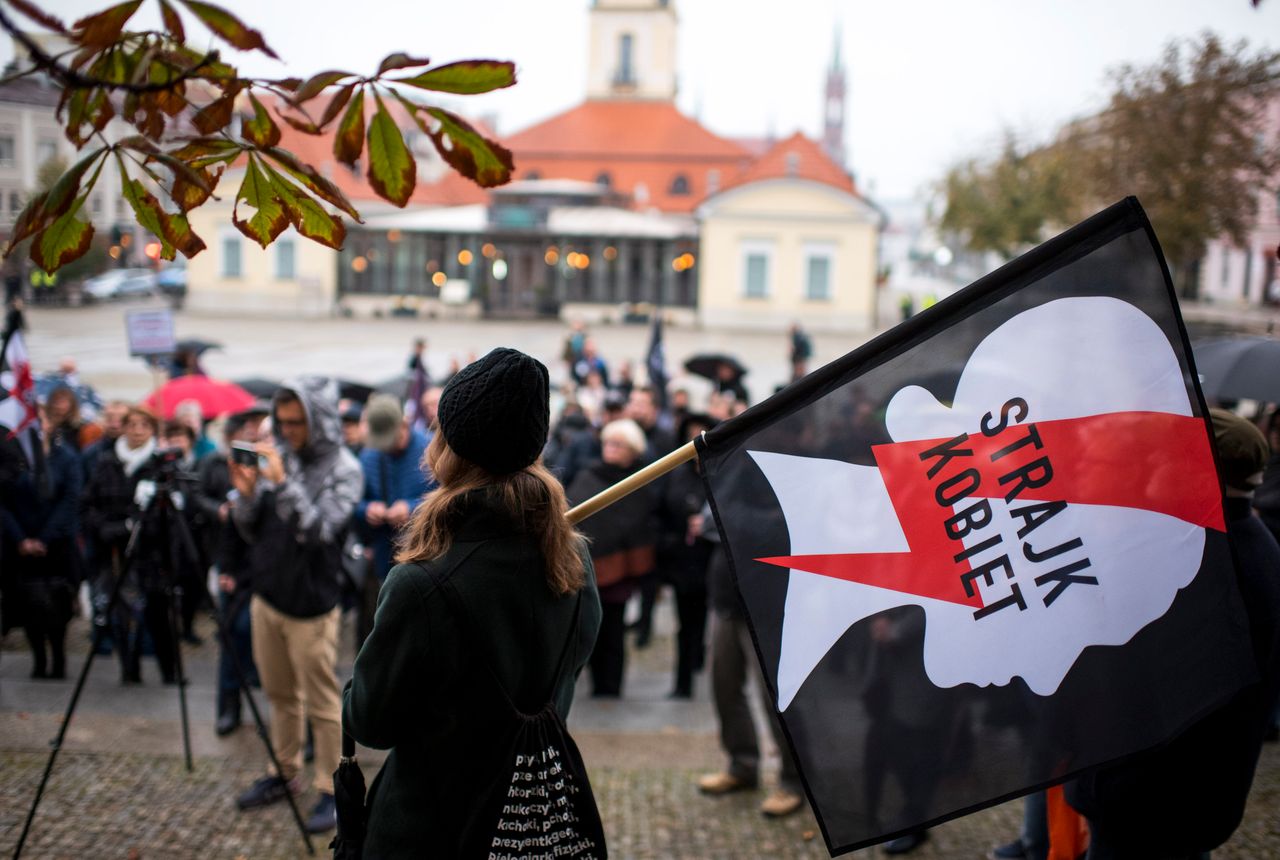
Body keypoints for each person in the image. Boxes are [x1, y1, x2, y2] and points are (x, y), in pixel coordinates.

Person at [343, 347, 602, 856]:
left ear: (453, 447)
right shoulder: (573, 560)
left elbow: (370, 721)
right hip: (528, 821)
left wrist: (360, 678)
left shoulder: (421, 584)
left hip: (432, 830)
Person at [1066, 408, 1280, 859]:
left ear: (1197, 467)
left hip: (1147, 798)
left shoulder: (1203, 561)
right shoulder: (1247, 541)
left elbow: (1135, 678)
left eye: (1165, 459)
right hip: (1193, 794)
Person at [230, 378, 363, 834]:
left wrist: (282, 485)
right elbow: (251, 530)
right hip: (268, 596)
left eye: (295, 423)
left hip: (312, 604)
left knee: (324, 702)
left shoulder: (345, 469)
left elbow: (319, 533)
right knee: (281, 695)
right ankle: (285, 772)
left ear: (318, 420)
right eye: (281, 422)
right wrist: (246, 495)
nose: (286, 432)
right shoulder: (279, 454)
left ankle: (332, 789)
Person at [698, 506, 805, 818]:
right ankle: (742, 765)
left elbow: (770, 531)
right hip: (724, 603)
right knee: (725, 688)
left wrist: (727, 520)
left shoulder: (760, 477)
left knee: (776, 697)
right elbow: (708, 524)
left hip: (765, 609)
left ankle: (792, 781)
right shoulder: (725, 480)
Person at [81, 405, 179, 685]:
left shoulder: (160, 463)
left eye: (144, 425)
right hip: (113, 550)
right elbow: (89, 504)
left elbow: (169, 513)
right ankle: (129, 669)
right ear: (123, 427)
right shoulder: (106, 461)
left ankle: (169, 671)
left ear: (151, 430)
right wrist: (112, 529)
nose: (137, 430)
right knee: (120, 611)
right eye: (132, 424)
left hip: (151, 552)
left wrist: (138, 524)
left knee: (157, 612)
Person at [566, 418, 657, 697]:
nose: (611, 448)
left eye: (618, 444)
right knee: (589, 626)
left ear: (631, 449)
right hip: (586, 564)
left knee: (614, 630)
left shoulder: (639, 480)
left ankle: (612, 685)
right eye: (608, 443)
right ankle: (594, 682)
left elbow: (637, 520)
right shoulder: (587, 475)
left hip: (620, 568)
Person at [195, 409, 264, 736]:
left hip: (268, 571)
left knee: (259, 640)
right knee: (232, 635)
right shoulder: (220, 466)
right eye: (249, 430)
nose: (254, 437)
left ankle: (272, 711)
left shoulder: (271, 470)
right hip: (237, 570)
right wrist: (227, 568)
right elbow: (229, 528)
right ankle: (229, 707)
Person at [1, 413, 82, 679]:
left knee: (56, 602)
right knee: (27, 602)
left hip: (55, 545)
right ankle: (38, 658)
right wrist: (21, 539)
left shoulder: (65, 457)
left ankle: (58, 656)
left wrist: (45, 538)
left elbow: (70, 499)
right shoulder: (11, 458)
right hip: (19, 542)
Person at [655, 413, 717, 697]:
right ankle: (683, 682)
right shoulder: (675, 475)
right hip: (682, 560)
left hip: (711, 561)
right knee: (685, 623)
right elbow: (662, 513)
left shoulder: (721, 474)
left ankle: (696, 659)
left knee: (701, 618)